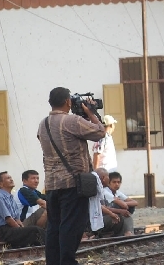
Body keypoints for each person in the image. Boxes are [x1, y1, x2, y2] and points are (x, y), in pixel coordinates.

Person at [37, 87, 105, 265]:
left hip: (52, 184)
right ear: (68, 101)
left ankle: (53, 262)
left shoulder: (42, 124)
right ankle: (67, 261)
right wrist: (91, 112)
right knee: (71, 226)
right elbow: (100, 132)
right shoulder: (73, 121)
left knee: (54, 227)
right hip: (73, 184)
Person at [0, 172, 45, 248]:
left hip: (12, 229)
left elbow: (17, 219)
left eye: (11, 177)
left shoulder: (11, 197)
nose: (11, 179)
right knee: (35, 230)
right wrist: (21, 231)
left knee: (35, 231)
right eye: (8, 178)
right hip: (5, 231)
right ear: (0, 184)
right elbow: (8, 219)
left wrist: (23, 230)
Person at [91, 168, 125, 238]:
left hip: (98, 217)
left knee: (118, 216)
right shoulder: (95, 189)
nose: (109, 179)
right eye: (108, 177)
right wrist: (112, 214)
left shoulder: (98, 188)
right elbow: (99, 206)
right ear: (103, 178)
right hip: (93, 220)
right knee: (119, 218)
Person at [102, 171, 137, 236]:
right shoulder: (105, 191)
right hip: (103, 219)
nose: (117, 184)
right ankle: (127, 233)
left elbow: (135, 202)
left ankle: (128, 233)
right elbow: (124, 206)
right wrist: (122, 203)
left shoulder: (117, 193)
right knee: (123, 213)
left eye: (118, 182)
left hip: (112, 215)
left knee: (126, 214)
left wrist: (122, 201)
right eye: (114, 182)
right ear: (109, 183)